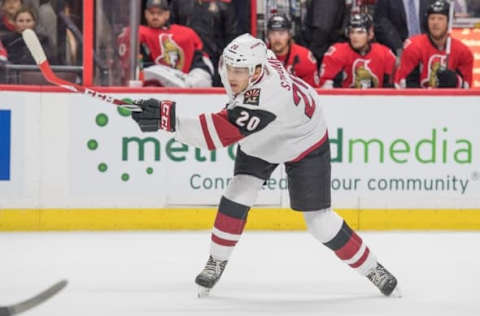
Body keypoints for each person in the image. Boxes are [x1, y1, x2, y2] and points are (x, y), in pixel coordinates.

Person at [128, 33, 400, 298]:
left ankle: (374, 268)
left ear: (257, 71)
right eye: (230, 67)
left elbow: (214, 135)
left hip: (303, 137)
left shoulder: (268, 97)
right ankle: (216, 261)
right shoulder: (257, 60)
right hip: (264, 134)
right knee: (237, 193)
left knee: (320, 222)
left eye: (241, 70)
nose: (232, 75)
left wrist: (167, 119)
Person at [117, 0, 213, 87]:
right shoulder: (137, 33)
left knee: (201, 81)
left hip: (187, 78)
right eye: (152, 13)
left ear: (167, 14)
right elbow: (139, 65)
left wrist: (198, 73)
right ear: (145, 14)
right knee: (149, 73)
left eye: (159, 13)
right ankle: (178, 79)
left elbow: (201, 59)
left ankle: (183, 80)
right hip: (155, 80)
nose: (155, 16)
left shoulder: (186, 33)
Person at [395, 0, 474, 88]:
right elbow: (401, 84)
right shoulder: (414, 47)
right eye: (432, 18)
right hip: (418, 100)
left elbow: (467, 88)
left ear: (449, 23)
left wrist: (456, 81)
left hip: (450, 101)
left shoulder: (463, 52)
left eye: (440, 18)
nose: (435, 22)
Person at [169, 0, 241, 86]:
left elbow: (232, 34)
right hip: (186, 59)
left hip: (215, 59)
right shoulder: (178, 2)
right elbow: (170, 31)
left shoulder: (224, 3)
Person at [319, 13, 396, 88]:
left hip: (376, 100)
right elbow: (327, 90)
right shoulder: (337, 53)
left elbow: (390, 90)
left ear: (371, 34)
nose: (355, 36)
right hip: (344, 100)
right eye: (352, 32)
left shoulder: (385, 54)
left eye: (360, 32)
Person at [266, 13, 320, 88]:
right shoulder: (259, 57)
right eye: (273, 33)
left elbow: (312, 93)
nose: (277, 38)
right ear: (268, 35)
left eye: (281, 33)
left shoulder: (304, 57)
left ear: (289, 35)